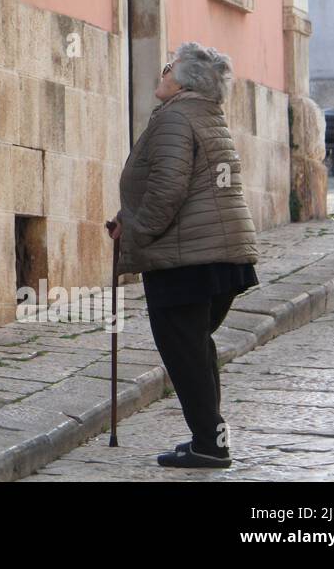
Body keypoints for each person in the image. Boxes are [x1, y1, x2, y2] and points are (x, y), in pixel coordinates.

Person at [108, 42, 259, 469]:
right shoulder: (203, 114)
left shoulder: (175, 116)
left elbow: (169, 189)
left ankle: (210, 446)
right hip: (217, 254)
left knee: (184, 349)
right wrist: (127, 218)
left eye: (168, 66)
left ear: (184, 80)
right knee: (196, 346)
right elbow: (184, 186)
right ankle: (210, 439)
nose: (162, 72)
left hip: (188, 258)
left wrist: (135, 229)